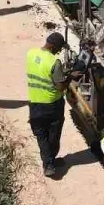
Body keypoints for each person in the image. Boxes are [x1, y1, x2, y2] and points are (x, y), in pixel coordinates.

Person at [27, 33, 71, 178]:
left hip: (35, 104)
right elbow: (60, 87)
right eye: (59, 47)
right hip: (53, 104)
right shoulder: (54, 62)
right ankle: (48, 165)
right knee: (52, 135)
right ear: (53, 45)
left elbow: (42, 73)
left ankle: (49, 160)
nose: (59, 51)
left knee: (41, 135)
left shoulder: (31, 54)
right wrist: (69, 78)